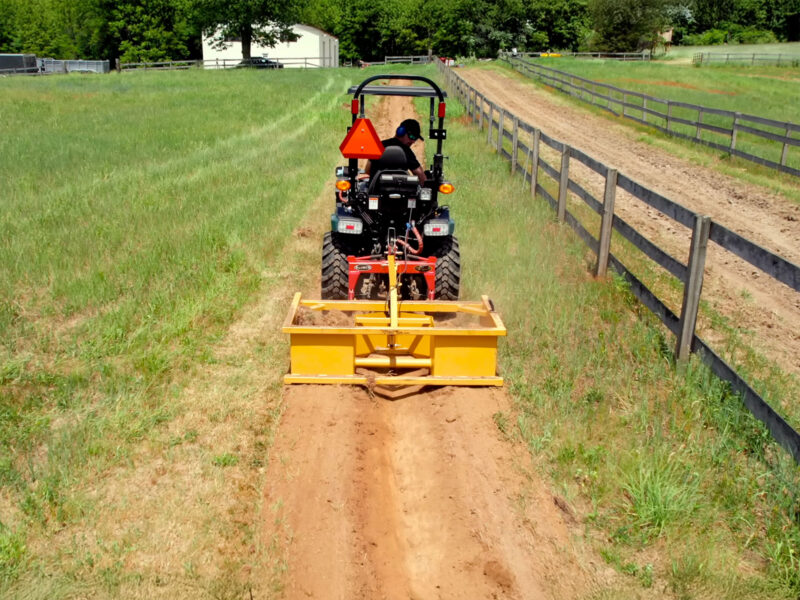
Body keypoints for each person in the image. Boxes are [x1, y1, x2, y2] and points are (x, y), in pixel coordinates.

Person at [366, 119, 427, 185]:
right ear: (401, 131)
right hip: (401, 192)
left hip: (376, 192)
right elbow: (420, 175)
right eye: (411, 136)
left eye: (415, 138)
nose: (413, 141)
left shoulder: (379, 146)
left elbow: (367, 171)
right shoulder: (407, 151)